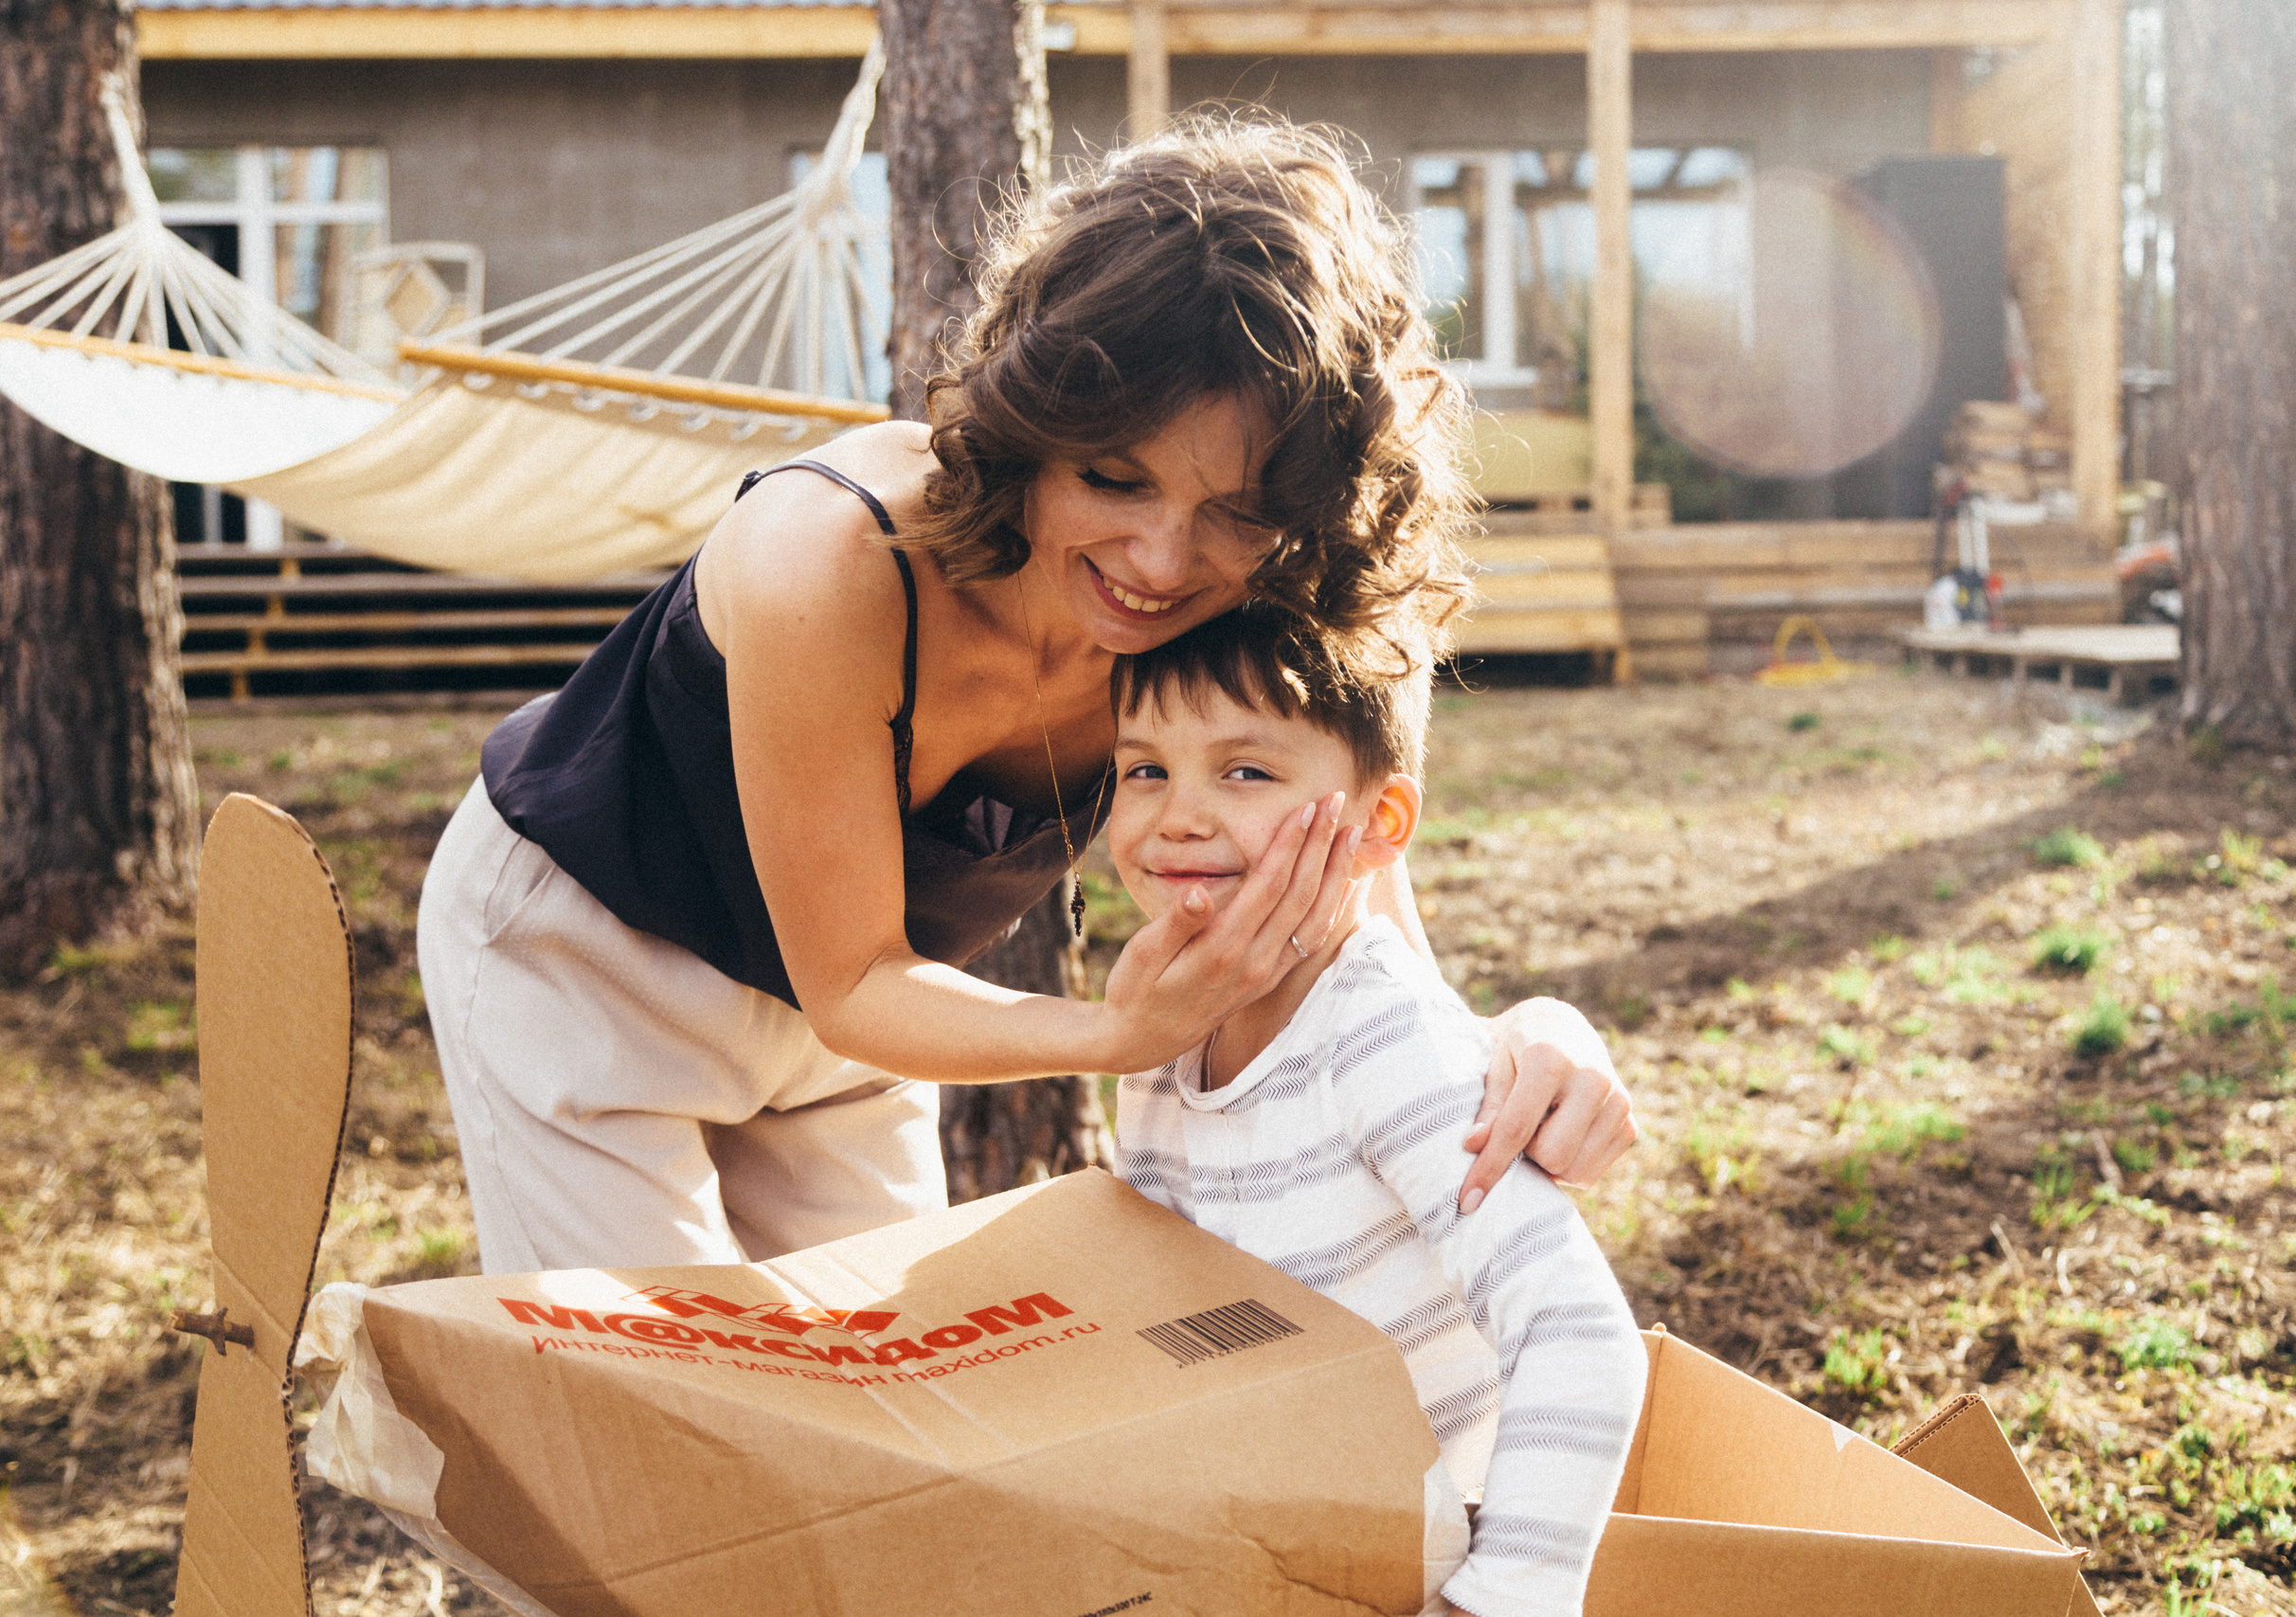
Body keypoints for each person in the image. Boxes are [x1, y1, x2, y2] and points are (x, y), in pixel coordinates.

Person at [416, 117, 1639, 1277]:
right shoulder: (834, 558)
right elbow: (849, 980)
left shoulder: (1267, 611)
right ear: (1030, 426)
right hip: (584, 951)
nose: (1161, 562)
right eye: (1114, 478)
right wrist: (1115, 1036)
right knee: (648, 1421)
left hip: (864, 1021)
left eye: (1237, 510)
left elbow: (1359, 927)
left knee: (890, 1432)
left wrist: (1522, 1038)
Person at [1106, 604, 1644, 1617]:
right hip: (1245, 1544)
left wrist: (1502, 1599)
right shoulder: (1160, 1025)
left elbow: (1575, 1331)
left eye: (1245, 771)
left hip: (1400, 1565)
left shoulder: (1379, 1035)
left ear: (1378, 827)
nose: (1176, 816)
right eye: (1145, 770)